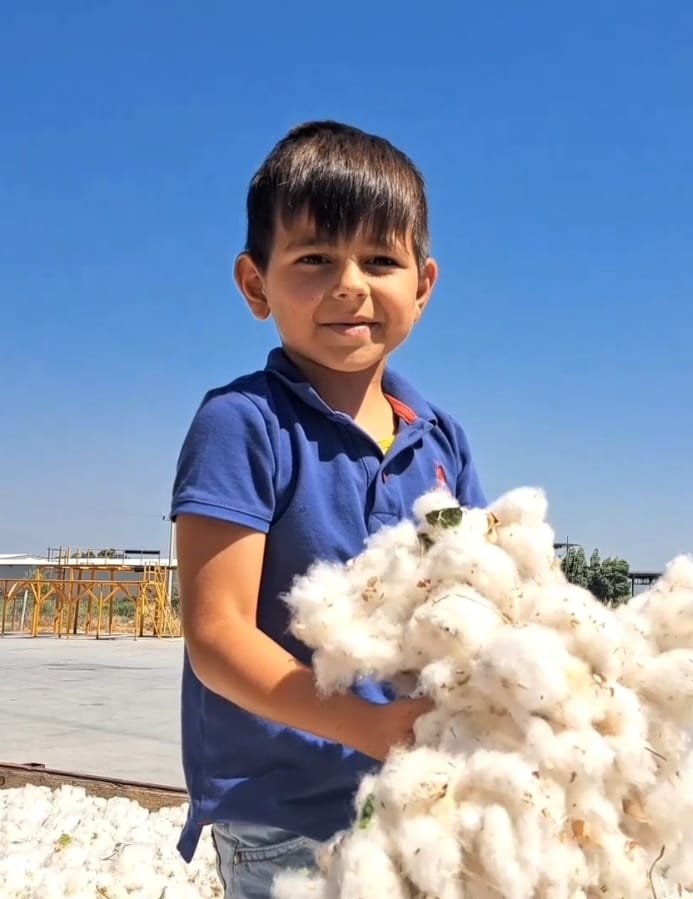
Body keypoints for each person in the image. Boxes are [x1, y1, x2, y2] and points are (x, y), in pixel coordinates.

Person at [167, 120, 488, 896]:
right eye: (315, 259)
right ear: (255, 284)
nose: (351, 283)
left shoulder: (440, 439)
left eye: (381, 260)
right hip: (284, 818)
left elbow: (483, 600)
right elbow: (216, 635)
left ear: (423, 285)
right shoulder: (244, 425)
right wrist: (365, 726)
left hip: (418, 807)